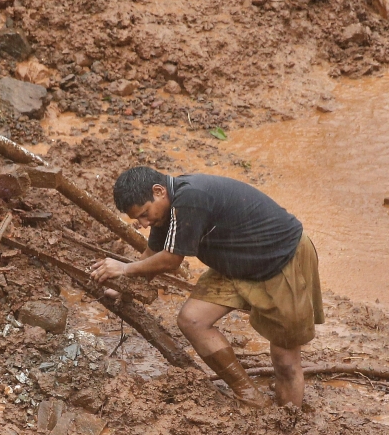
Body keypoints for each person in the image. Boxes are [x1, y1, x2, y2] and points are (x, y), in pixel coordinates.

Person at [92, 166, 324, 408]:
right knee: (192, 320)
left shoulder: (191, 199)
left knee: (285, 360)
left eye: (144, 214)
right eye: (138, 219)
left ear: (158, 191)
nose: (144, 223)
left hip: (280, 259)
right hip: (236, 262)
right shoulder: (165, 208)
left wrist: (124, 269)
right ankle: (250, 396)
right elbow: (153, 254)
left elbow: (171, 260)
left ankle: (290, 428)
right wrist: (125, 287)